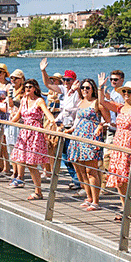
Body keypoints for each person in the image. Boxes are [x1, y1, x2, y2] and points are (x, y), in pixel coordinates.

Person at [101, 80, 131, 221]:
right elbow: (102, 102)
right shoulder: (120, 108)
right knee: (119, 180)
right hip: (118, 145)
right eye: (124, 92)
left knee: (130, 180)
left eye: (129, 92)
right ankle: (127, 210)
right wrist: (100, 87)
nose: (126, 94)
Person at [66, 78, 112, 211]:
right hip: (78, 137)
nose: (85, 90)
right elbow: (70, 112)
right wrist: (72, 91)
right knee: (80, 170)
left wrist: (100, 126)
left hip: (91, 137)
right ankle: (88, 197)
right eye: (83, 88)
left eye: (88, 88)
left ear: (93, 89)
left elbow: (108, 119)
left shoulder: (97, 103)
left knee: (91, 170)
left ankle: (96, 201)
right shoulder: (81, 101)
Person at [9, 79, 59, 200]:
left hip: (35, 133)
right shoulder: (24, 100)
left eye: (30, 87)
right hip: (24, 132)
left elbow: (47, 113)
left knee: (32, 163)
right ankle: (34, 188)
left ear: (35, 88)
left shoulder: (39, 100)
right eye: (25, 87)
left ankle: (38, 191)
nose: (27, 89)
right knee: (23, 161)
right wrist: (8, 123)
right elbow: (18, 115)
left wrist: (53, 122)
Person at [39, 58, 81, 190]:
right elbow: (48, 84)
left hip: (73, 127)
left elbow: (79, 99)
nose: (66, 82)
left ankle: (80, 182)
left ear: (74, 80)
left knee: (73, 156)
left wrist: (75, 89)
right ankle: (76, 180)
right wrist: (43, 71)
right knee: (65, 155)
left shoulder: (78, 91)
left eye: (69, 80)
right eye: (64, 80)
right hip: (63, 126)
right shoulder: (63, 89)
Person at [5, 68, 27, 186]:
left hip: (20, 122)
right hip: (11, 119)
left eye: (15, 78)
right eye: (11, 78)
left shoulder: (24, 91)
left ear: (21, 79)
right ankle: (14, 172)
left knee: (20, 149)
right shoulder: (11, 90)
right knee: (11, 148)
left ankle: (20, 175)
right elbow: (10, 105)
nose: (13, 80)